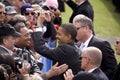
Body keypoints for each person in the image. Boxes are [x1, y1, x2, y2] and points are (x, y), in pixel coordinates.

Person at [72, 14, 117, 80]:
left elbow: (112, 68)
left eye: (77, 29)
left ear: (86, 28)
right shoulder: (77, 45)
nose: (74, 32)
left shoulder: (101, 44)